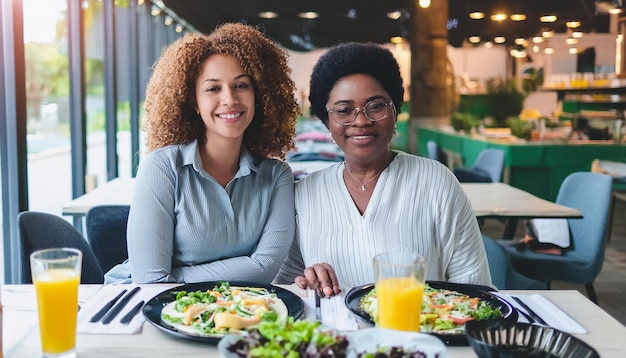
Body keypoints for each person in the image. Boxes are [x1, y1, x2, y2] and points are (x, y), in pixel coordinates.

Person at [275, 42, 492, 296]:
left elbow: (476, 290)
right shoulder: (304, 194)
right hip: (336, 334)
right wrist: (306, 281)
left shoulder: (436, 182)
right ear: (327, 122)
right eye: (344, 110)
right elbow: (287, 290)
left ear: (395, 110)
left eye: (376, 106)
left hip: (418, 332)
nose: (361, 121)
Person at [105, 23, 300, 284]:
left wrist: (175, 276)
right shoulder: (162, 167)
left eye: (241, 85)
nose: (229, 99)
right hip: (142, 308)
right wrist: (243, 269)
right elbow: (150, 282)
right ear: (193, 102)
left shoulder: (277, 176)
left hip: (231, 312)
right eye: (213, 88)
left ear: (259, 96)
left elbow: (264, 268)